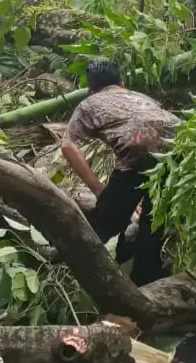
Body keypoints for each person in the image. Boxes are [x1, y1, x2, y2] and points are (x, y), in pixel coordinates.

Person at [60, 58, 180, 285]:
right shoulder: (142, 98)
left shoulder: (90, 103)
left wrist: (97, 188)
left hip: (137, 156)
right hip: (178, 153)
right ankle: (147, 283)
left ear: (90, 90)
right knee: (153, 227)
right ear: (122, 83)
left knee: (106, 226)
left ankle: (88, 278)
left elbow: (68, 145)